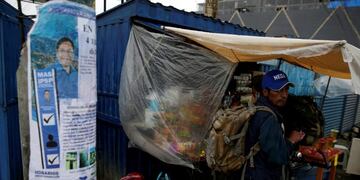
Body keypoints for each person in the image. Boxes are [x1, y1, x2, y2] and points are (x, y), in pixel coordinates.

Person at [244, 69, 305, 180]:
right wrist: (291, 140)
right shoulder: (268, 117)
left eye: (286, 89)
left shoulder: (256, 109)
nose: (284, 95)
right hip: (261, 174)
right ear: (265, 92)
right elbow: (279, 157)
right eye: (278, 90)